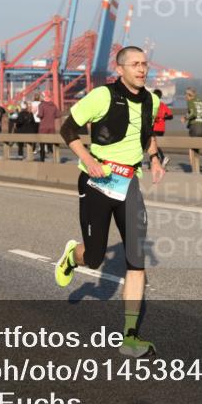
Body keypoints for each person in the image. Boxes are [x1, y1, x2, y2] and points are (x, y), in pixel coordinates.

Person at [54, 45, 165, 358]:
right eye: (135, 64)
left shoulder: (152, 100)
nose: (142, 69)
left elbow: (146, 134)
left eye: (144, 64)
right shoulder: (102, 96)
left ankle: (129, 336)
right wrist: (87, 158)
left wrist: (155, 158)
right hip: (97, 181)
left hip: (128, 184)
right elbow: (67, 128)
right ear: (120, 69)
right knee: (95, 257)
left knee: (136, 259)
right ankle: (71, 256)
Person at [36, 91, 61, 162]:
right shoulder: (53, 105)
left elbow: (40, 115)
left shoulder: (41, 105)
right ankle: (56, 158)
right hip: (52, 127)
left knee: (42, 145)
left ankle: (42, 159)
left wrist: (36, 114)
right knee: (51, 145)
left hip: (43, 127)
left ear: (44, 97)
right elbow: (58, 115)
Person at [151, 89, 173, 168]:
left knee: (153, 145)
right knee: (156, 145)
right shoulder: (163, 105)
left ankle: (162, 158)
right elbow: (171, 116)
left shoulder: (152, 104)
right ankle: (158, 161)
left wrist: (158, 117)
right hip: (162, 129)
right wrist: (163, 117)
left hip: (154, 128)